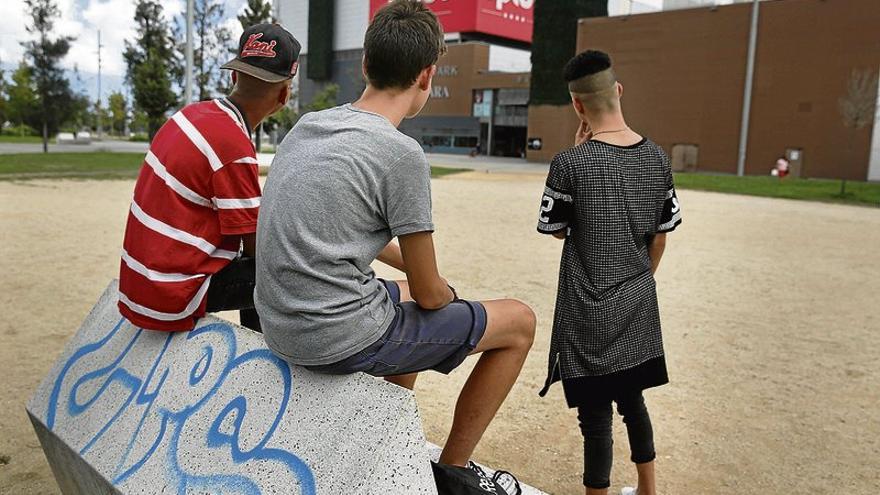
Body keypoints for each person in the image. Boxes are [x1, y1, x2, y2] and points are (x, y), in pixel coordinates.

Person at [255, 0, 535, 483]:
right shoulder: (401, 154)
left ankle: (384, 429)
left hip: (279, 321)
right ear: (427, 76)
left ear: (366, 64)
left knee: (405, 298)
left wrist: (415, 277)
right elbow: (431, 295)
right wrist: (445, 293)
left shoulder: (309, 126)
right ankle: (454, 473)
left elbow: (336, 233)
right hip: (330, 337)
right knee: (519, 322)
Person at [536, 50, 681, 495]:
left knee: (595, 418)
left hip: (586, 305)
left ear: (577, 106)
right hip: (637, 299)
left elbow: (555, 230)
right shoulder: (657, 158)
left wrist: (578, 157)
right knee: (633, 402)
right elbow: (660, 236)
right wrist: (641, 278)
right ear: (618, 91)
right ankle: (647, 489)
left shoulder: (569, 164)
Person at [117, 23, 301, 333]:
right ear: (284, 94)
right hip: (171, 295)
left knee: (262, 267)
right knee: (287, 271)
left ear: (233, 77)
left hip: (139, 286)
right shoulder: (233, 145)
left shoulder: (191, 115)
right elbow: (257, 247)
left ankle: (259, 348)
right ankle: (267, 364)